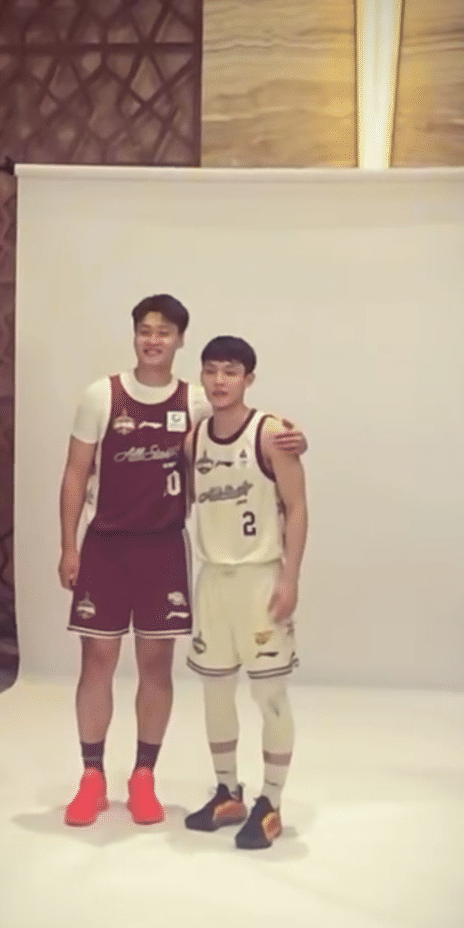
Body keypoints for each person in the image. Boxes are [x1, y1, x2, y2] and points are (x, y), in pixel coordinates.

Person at [59, 296, 307, 827]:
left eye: (164, 332)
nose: (153, 340)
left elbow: (246, 431)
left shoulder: (196, 402)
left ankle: (143, 777)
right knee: (96, 662)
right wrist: (68, 545)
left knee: (156, 666)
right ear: (134, 335)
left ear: (179, 340)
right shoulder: (101, 395)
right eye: (145, 331)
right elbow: (76, 473)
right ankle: (92, 778)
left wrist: (295, 438)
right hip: (105, 546)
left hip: (164, 547)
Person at [183, 335, 308, 850]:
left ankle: (271, 800)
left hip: (260, 578)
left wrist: (290, 578)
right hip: (213, 579)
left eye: (230, 371)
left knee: (268, 693)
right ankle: (227, 791)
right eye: (211, 370)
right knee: (215, 691)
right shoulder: (194, 437)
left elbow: (296, 508)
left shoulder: (271, 433)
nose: (220, 380)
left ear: (248, 378)